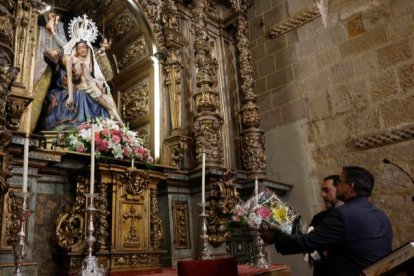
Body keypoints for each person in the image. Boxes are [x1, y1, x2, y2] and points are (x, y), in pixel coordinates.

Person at [262, 166, 392, 276]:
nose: (338, 185)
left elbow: (307, 242)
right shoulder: (382, 216)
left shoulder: (343, 214)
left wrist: (276, 237)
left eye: (340, 182)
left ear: (350, 187)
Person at [306, 175, 343, 276]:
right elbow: (308, 245)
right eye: (322, 191)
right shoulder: (318, 218)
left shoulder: (351, 217)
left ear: (340, 190)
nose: (322, 194)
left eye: (326, 190)